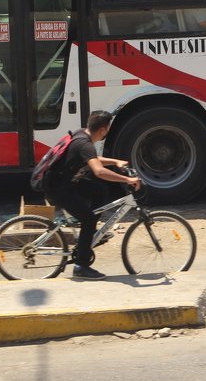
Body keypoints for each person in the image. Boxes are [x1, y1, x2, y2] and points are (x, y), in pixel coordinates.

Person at [43, 110, 141, 280]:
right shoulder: (84, 144)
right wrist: (127, 179)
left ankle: (88, 236)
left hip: (67, 181)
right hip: (59, 189)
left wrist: (115, 161)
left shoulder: (82, 134)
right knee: (87, 219)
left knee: (100, 191)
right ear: (103, 130)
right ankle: (81, 265)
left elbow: (92, 158)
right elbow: (98, 170)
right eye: (108, 129)